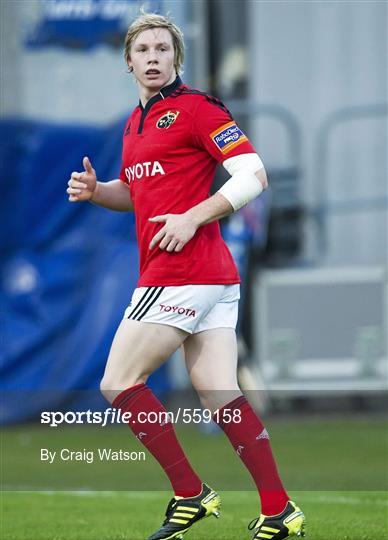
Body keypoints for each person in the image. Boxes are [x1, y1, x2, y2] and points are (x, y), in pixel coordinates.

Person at [67, 12, 305, 540]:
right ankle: (279, 510)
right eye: (143, 50)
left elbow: (254, 175)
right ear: (128, 61)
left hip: (185, 271)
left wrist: (193, 216)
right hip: (207, 277)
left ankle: (190, 493)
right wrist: (96, 190)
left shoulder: (196, 110)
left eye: (162, 49)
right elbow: (136, 195)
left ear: (177, 58)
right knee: (220, 394)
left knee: (119, 382)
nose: (153, 57)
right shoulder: (135, 124)